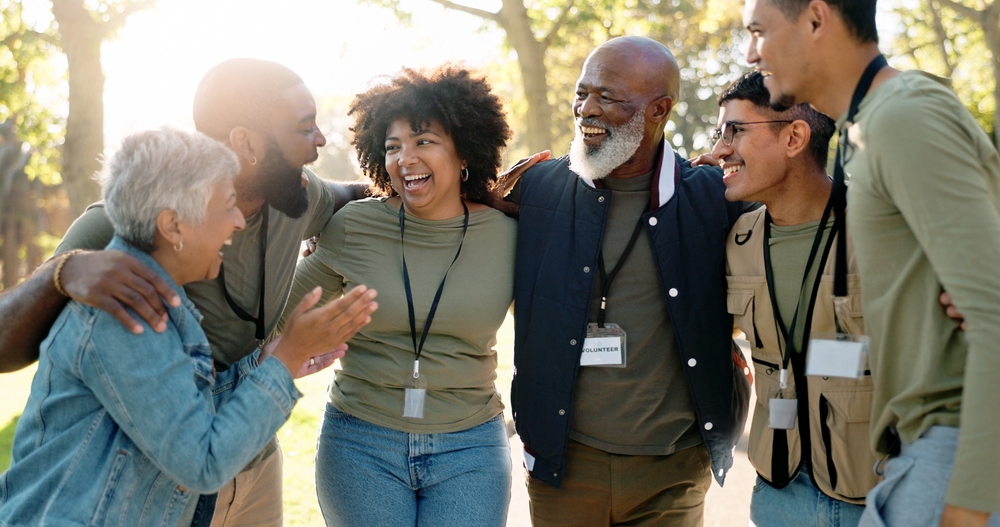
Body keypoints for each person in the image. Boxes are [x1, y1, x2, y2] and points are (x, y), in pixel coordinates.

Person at [0, 58, 369, 527]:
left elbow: (355, 194)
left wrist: (468, 187)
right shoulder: (124, 253)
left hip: (249, 446)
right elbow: (197, 456)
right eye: (305, 128)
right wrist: (61, 273)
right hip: (170, 472)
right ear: (247, 142)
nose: (320, 140)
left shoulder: (295, 194)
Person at [741, 0, 1000, 525]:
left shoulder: (904, 115)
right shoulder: (865, 131)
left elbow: (993, 312)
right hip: (918, 453)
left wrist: (969, 504)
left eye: (758, 31)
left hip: (953, 455)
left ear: (816, 19)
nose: (751, 53)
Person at [507, 36, 750, 526]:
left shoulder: (712, 198)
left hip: (673, 469)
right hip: (562, 467)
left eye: (609, 98)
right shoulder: (536, 189)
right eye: (582, 93)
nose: (586, 110)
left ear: (660, 109)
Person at [280, 64, 516, 527]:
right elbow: (277, 316)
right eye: (392, 147)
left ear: (463, 150)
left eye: (423, 141)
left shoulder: (509, 235)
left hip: (470, 446)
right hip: (361, 442)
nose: (404, 158)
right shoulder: (354, 226)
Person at [712, 70, 878, 526]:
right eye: (719, 133)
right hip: (778, 495)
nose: (719, 149)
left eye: (735, 131)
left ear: (794, 138)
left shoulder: (883, 232)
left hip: (881, 495)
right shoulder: (737, 241)